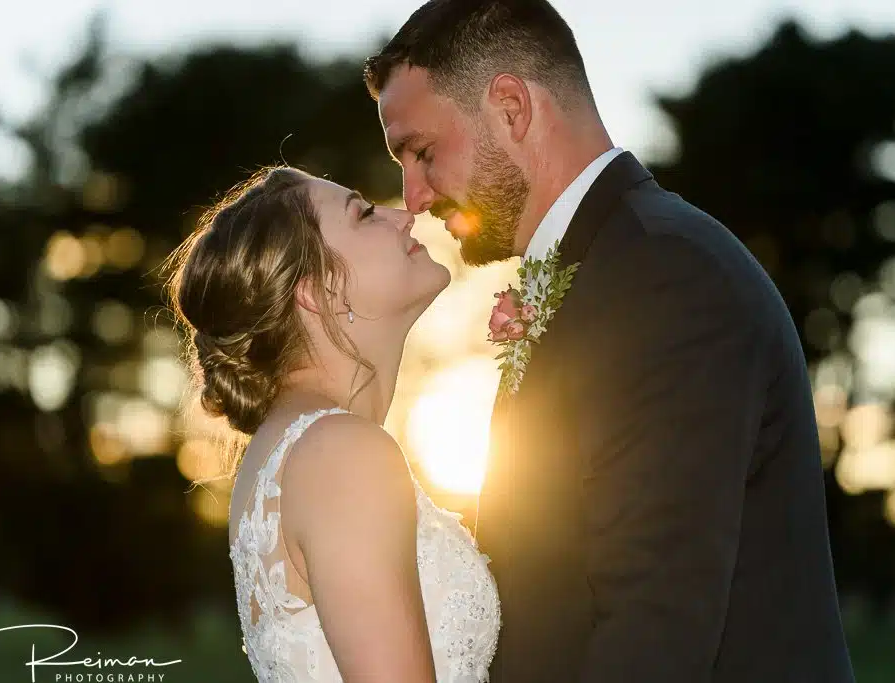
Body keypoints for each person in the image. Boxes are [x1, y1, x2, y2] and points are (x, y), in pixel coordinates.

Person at [364, 0, 856, 680]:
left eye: (421, 152)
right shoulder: (612, 268)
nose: (413, 195)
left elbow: (653, 630)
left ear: (511, 108)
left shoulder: (666, 278)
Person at [166, 166, 500, 682]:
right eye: (365, 214)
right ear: (317, 288)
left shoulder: (296, 448)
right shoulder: (341, 452)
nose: (404, 215)